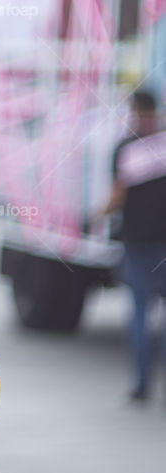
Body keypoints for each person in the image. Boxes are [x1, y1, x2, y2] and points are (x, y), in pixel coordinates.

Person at [104, 89, 166, 401]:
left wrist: (95, 217)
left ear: (135, 110)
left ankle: (142, 386)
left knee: (141, 311)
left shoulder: (126, 148)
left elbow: (117, 197)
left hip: (138, 241)